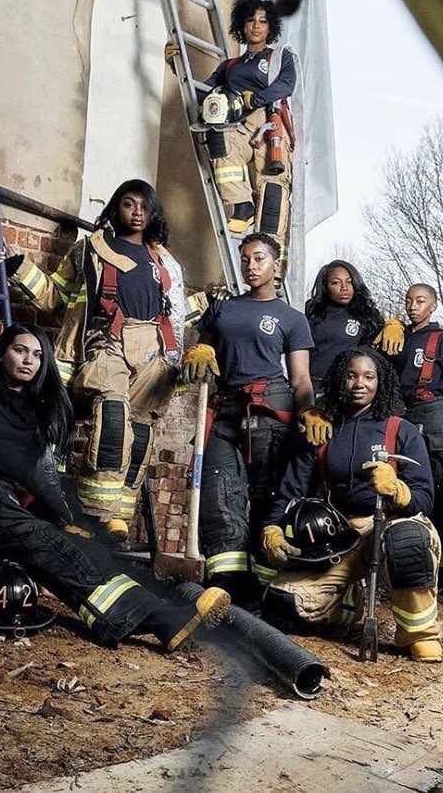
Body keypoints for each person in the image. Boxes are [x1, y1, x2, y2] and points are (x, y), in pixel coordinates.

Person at [0, 325, 229, 646]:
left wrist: (66, 521)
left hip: (1, 503)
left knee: (66, 552)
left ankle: (163, 621)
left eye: (37, 355)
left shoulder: (42, 410)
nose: (29, 360)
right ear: (3, 352)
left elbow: (45, 477)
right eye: (20, 351)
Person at [0, 180, 184, 542]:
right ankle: (93, 514)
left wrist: (207, 314)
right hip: (105, 341)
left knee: (140, 430)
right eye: (129, 204)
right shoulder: (89, 250)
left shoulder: (165, 262)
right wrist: (18, 267)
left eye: (145, 206)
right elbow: (57, 296)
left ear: (153, 213)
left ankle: (117, 518)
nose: (137, 212)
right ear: (115, 209)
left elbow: (177, 314)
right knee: (113, 414)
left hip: (152, 352)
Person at [259, 347, 443, 661]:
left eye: (368, 376)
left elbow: (425, 498)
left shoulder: (400, 430)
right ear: (339, 380)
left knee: (407, 543)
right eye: (351, 375)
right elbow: (290, 490)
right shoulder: (323, 431)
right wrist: (272, 526)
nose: (359, 383)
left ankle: (419, 634)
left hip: (391, 524)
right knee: (283, 602)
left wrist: (398, 490)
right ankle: (347, 609)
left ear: (380, 382)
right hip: (342, 535)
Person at [181, 232, 319, 611]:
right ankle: (225, 587)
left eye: (259, 258)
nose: (250, 265)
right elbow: (201, 341)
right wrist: (201, 345)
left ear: (277, 266)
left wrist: (308, 411)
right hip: (225, 411)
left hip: (270, 413)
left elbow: (301, 378)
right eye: (245, 259)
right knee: (219, 497)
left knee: (265, 501)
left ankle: (261, 597)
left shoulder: (292, 319)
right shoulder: (224, 308)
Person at [378, 284, 443, 602]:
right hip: (407, 419)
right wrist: (388, 328)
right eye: (408, 301)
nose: (412, 306)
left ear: (433, 306)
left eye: (420, 301)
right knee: (415, 499)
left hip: (441, 422)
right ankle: (423, 575)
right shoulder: (400, 339)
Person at [167, 0, 296, 243]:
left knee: (271, 194)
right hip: (236, 123)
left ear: (270, 28)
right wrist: (177, 66)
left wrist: (255, 99)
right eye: (250, 20)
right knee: (217, 136)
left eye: (262, 21)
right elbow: (201, 93)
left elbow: (286, 84)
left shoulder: (279, 58)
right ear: (242, 26)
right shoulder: (230, 66)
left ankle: (272, 266)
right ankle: (241, 207)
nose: (256, 26)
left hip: (270, 124)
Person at [305, 260, 405, 396]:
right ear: (325, 286)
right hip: (315, 389)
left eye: (349, 282)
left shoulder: (366, 314)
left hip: (352, 390)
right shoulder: (310, 312)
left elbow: (389, 348)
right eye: (336, 283)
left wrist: (396, 324)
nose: (344, 287)